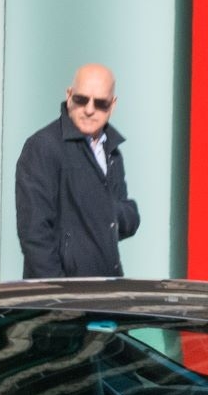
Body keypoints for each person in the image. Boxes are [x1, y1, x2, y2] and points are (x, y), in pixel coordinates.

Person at [16, 63, 140, 279]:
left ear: (113, 105)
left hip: (106, 289)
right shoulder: (44, 146)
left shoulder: (110, 149)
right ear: (69, 95)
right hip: (64, 297)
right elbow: (35, 234)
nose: (89, 109)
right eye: (81, 99)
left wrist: (111, 212)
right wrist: (59, 297)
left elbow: (119, 220)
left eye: (100, 103)